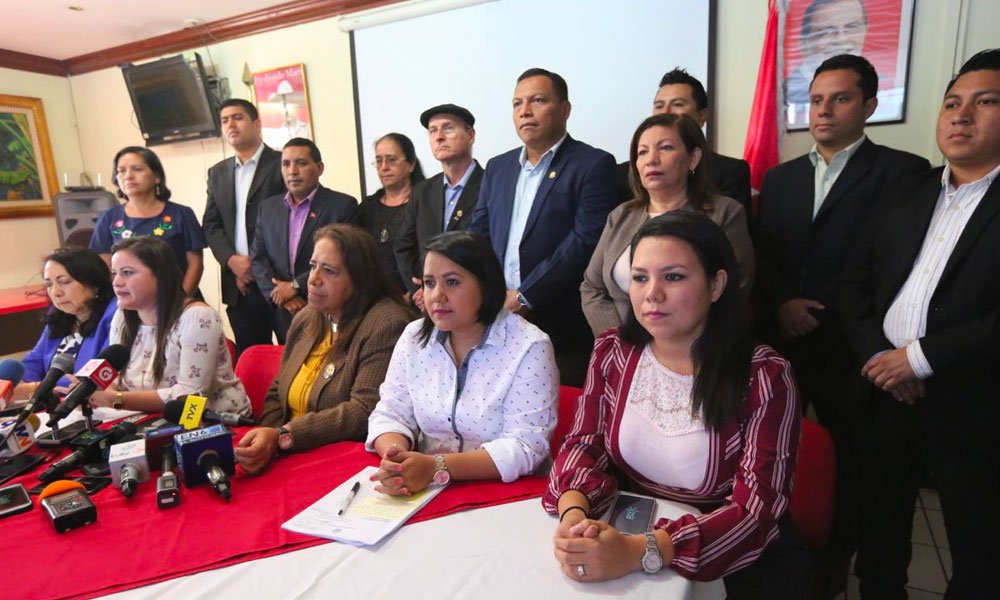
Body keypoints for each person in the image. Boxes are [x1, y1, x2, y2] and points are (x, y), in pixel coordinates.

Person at [546, 213, 810, 596]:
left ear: (716, 285)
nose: (652, 294)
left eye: (673, 276)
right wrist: (574, 515)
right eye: (640, 278)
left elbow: (756, 511)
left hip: (731, 558)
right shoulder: (613, 351)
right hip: (625, 531)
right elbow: (584, 444)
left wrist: (640, 551)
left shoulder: (764, 375)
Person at [754, 53, 928, 595]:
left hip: (857, 347)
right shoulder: (780, 179)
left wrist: (833, 313)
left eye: (841, 98)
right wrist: (783, 303)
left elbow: (895, 261)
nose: (824, 110)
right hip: (785, 339)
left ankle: (836, 556)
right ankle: (779, 546)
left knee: (853, 464)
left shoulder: (903, 172)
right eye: (816, 100)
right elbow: (766, 255)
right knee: (776, 453)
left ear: (870, 105)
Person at [840, 47, 1000, 600]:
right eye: (952, 103)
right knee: (879, 535)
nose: (961, 115)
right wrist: (881, 360)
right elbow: (854, 285)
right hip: (886, 393)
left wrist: (919, 358)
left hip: (973, 405)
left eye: (985, 102)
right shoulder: (907, 191)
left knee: (978, 549)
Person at [367, 231, 558, 495]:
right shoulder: (414, 337)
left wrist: (436, 466)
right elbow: (391, 412)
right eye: (429, 283)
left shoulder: (530, 346)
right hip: (426, 486)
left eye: (452, 282)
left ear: (486, 285)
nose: (437, 295)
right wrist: (397, 458)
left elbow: (526, 445)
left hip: (506, 493)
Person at [470, 67, 618, 386]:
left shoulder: (593, 164)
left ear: (565, 109)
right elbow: (478, 234)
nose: (525, 111)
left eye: (537, 100)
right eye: (517, 103)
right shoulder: (498, 167)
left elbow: (584, 242)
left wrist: (526, 295)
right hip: (498, 320)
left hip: (560, 328)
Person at [235, 224, 412, 473]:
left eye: (329, 271)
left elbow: (363, 410)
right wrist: (265, 441)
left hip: (341, 463)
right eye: (313, 266)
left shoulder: (385, 324)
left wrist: (283, 437)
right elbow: (278, 390)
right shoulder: (307, 316)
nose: (313, 279)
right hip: (285, 457)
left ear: (360, 279)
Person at [583, 113, 754, 336]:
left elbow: (734, 289)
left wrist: (670, 344)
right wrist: (619, 340)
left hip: (696, 345)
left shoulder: (725, 213)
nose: (651, 159)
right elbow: (592, 287)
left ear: (693, 158)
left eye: (665, 148)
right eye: (642, 152)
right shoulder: (621, 215)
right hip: (624, 342)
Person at [88, 236, 249, 415]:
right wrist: (90, 389)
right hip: (144, 416)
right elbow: (115, 379)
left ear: (160, 276)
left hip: (213, 420)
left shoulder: (197, 317)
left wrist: (116, 399)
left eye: (127, 273)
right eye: (114, 273)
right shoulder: (122, 317)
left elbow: (190, 395)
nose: (116, 282)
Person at [251, 138, 358, 343]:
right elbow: (258, 258)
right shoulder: (267, 208)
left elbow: (343, 259)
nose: (292, 171)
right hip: (283, 311)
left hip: (327, 309)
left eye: (301, 163)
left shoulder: (342, 206)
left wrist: (296, 286)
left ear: (319, 168)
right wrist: (279, 295)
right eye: (286, 164)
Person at [202, 98, 287, 357]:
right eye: (225, 120)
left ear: (257, 124)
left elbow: (291, 222)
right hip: (239, 286)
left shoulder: (283, 164)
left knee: (293, 358)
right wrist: (231, 260)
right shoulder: (217, 172)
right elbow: (211, 224)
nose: (231, 125)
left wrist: (257, 265)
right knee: (251, 360)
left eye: (237, 118)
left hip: (279, 281)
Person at [616, 68, 752, 216]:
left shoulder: (730, 173)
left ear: (702, 115)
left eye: (677, 104)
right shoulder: (622, 175)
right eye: (659, 106)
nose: (666, 112)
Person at [394, 104, 484, 312]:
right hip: (428, 304)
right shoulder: (422, 191)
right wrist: (421, 288)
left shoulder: (491, 184)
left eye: (448, 128)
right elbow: (403, 246)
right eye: (433, 131)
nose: (439, 137)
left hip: (473, 303)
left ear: (470, 135)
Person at [90, 146, 207, 297]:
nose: (128, 176)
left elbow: (195, 265)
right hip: (129, 300)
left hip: (179, 299)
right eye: (121, 171)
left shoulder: (182, 214)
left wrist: (180, 301)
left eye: (137, 169)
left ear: (157, 176)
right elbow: (105, 269)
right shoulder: (109, 217)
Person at [15, 248, 117, 399]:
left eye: (64, 282)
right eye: (49, 284)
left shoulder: (114, 317)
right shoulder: (60, 315)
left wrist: (33, 389)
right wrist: (12, 384)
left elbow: (93, 381)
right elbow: (34, 362)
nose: (56, 292)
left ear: (95, 283)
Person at [356, 133, 425, 295]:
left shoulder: (425, 204)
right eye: (379, 161)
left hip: (415, 295)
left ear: (411, 164)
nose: (384, 167)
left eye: (391, 160)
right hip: (372, 296)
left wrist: (412, 292)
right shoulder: (367, 207)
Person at [786, 0, 868, 105]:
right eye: (826, 32)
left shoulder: (882, 87)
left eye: (852, 27)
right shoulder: (783, 95)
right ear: (804, 44)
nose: (841, 39)